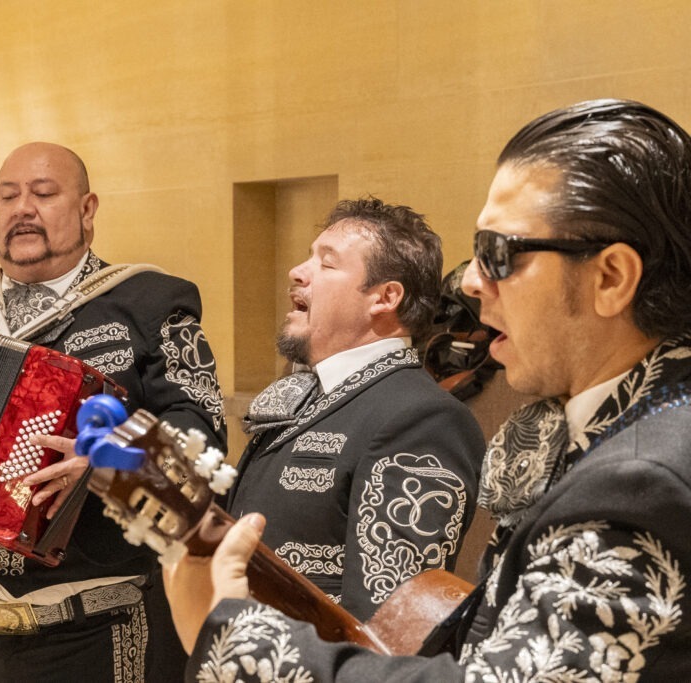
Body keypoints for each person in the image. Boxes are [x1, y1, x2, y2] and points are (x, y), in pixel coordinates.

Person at [168, 99, 691, 681]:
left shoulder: (642, 481)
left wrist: (237, 642)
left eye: (500, 253)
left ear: (611, 278)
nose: (469, 281)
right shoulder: (632, 429)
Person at [0, 142, 226, 682]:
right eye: (8, 197)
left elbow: (206, 439)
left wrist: (113, 464)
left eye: (44, 193)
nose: (22, 208)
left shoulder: (149, 305)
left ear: (87, 210)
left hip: (97, 634)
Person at [226, 198, 485, 620]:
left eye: (326, 264)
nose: (297, 271)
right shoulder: (300, 395)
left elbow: (390, 624)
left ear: (385, 297)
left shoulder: (422, 418)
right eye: (308, 256)